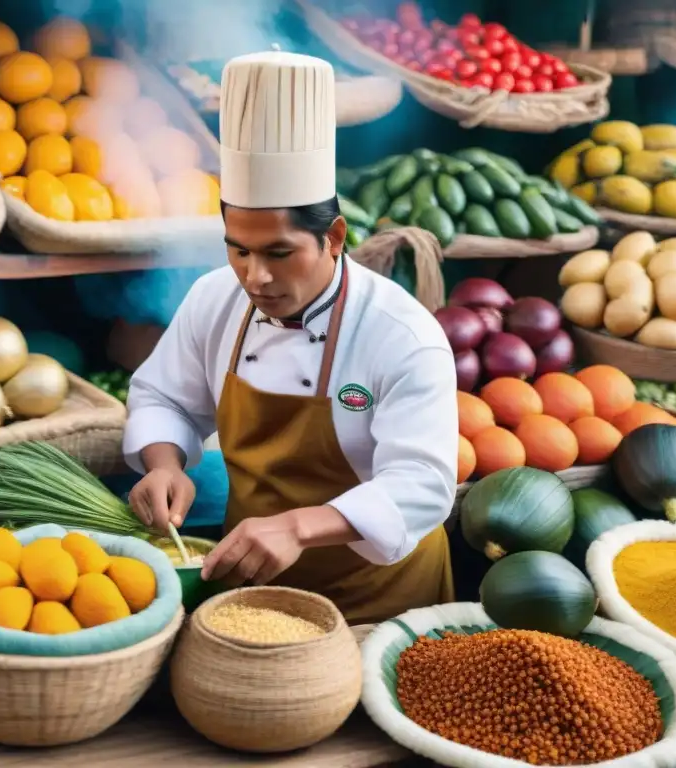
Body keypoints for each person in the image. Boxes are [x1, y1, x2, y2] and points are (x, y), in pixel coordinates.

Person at [123, 50, 459, 624]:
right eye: (238, 250)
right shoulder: (213, 298)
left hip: (378, 603)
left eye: (279, 253)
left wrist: (297, 527)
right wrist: (164, 463)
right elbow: (165, 397)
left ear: (332, 237)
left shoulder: (402, 335)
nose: (256, 276)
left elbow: (424, 484)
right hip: (247, 593)